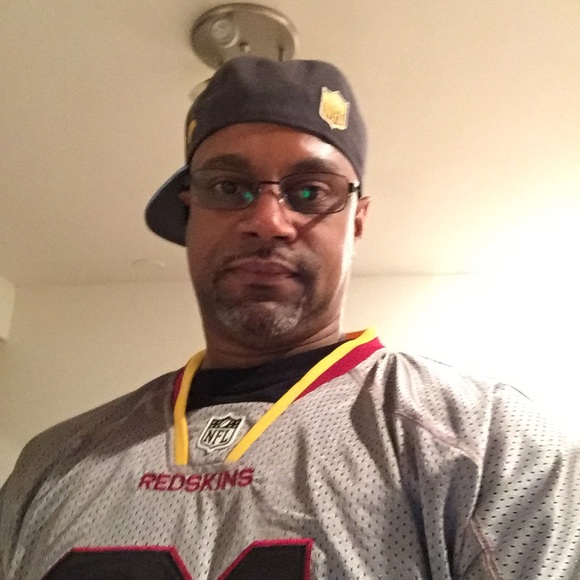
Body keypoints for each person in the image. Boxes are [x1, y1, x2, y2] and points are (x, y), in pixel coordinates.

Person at [1, 56, 579, 580]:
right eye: (228, 186)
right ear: (190, 213)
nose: (268, 222)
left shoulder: (489, 442)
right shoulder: (51, 463)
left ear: (356, 221)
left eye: (308, 192)